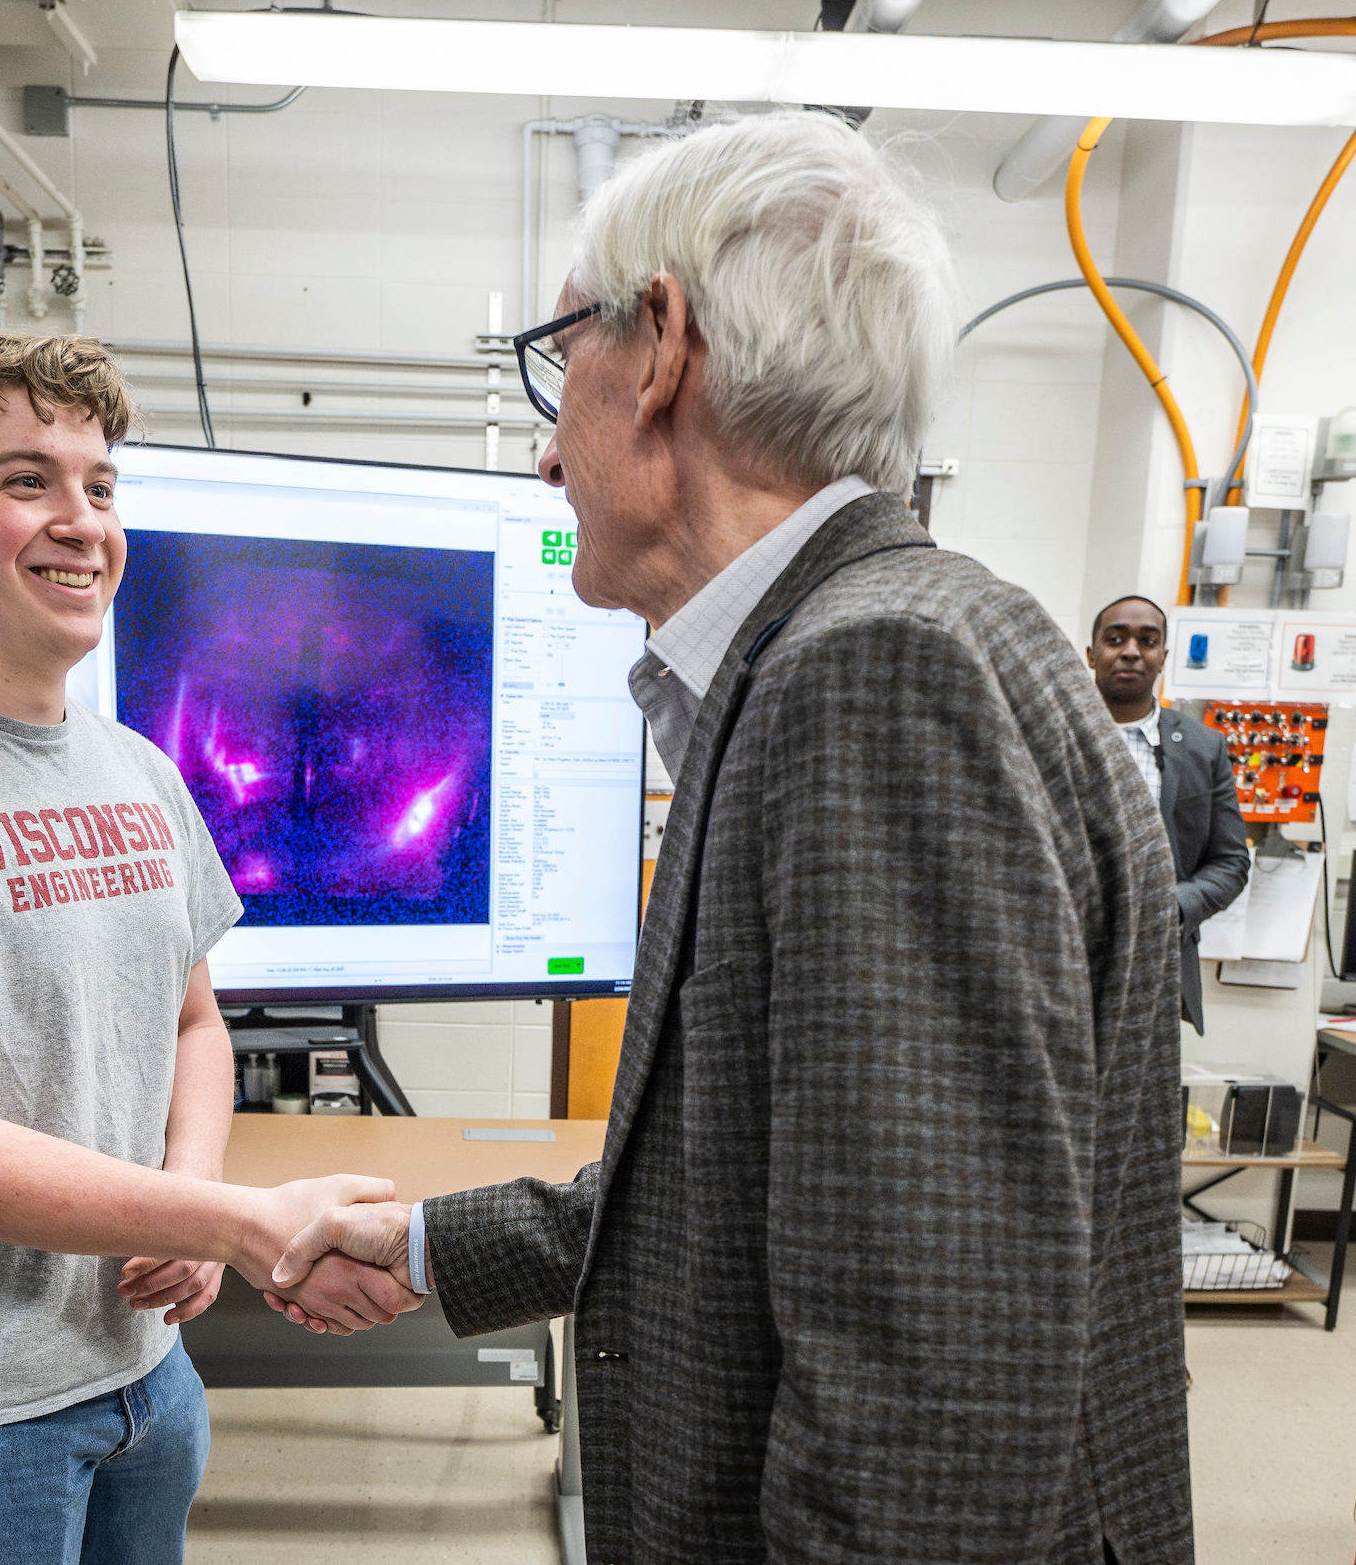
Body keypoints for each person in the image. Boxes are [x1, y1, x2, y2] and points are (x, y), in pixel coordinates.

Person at [268, 113, 1193, 1563]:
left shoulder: (869, 675)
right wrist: (440, 1246)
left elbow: (930, 1382)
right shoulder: (894, 636)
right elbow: (771, 1175)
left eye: (556, 355)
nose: (543, 436)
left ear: (661, 351)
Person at [0, 333, 419, 1565]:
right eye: (26, 479)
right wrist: (243, 1222)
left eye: (101, 485)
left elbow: (194, 1022)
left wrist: (199, 1211)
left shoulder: (137, 767)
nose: (83, 520)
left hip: (145, 1373)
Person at [1085, 593, 1249, 1033]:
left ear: (1163, 657)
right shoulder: (1048, 735)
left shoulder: (1203, 748)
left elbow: (1231, 862)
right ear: (1091, 654)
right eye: (1115, 639)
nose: (1131, 651)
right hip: (1058, 956)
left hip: (1154, 963)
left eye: (1147, 640)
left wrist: (1175, 907)